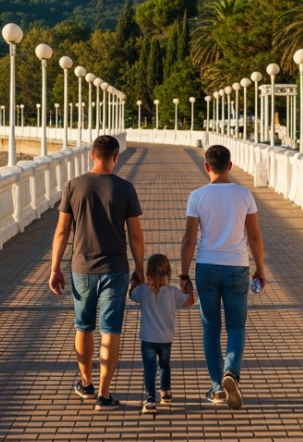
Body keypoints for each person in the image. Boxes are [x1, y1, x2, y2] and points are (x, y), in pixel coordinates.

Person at [49, 134, 145, 411]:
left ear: (92, 155)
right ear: (116, 157)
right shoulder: (125, 188)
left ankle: (86, 383)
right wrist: (140, 268)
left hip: (82, 269)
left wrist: (55, 268)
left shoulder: (74, 186)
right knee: (110, 330)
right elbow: (135, 236)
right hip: (116, 269)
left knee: (83, 326)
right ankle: (104, 394)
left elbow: (62, 231)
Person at [179, 144, 265, 410]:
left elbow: (190, 239)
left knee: (210, 329)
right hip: (237, 267)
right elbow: (254, 235)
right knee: (236, 326)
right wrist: (260, 267)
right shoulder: (244, 194)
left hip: (206, 266)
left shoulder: (197, 196)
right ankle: (231, 371)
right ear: (230, 165)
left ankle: (217, 389)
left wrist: (183, 274)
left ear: (207, 167)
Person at [129, 253, 195, 415]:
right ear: (168, 274)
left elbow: (131, 295)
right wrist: (189, 288)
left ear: (147, 274)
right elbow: (189, 301)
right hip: (166, 338)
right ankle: (166, 392)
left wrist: (133, 282)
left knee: (150, 369)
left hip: (148, 338)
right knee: (164, 365)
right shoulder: (173, 292)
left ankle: (151, 399)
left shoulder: (143, 291)